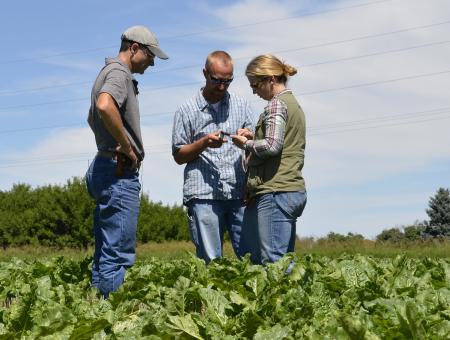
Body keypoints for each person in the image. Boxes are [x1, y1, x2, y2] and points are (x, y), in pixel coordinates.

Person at [85, 25, 169, 296]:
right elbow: (104, 105)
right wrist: (124, 144)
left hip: (104, 164)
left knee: (105, 251)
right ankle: (111, 322)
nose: (153, 62)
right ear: (134, 48)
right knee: (117, 254)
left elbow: (93, 117)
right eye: (150, 55)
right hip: (117, 170)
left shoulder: (106, 73)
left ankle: (98, 314)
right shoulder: (119, 74)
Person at [171, 51, 254, 263]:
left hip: (238, 191)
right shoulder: (186, 110)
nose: (221, 86)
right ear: (205, 73)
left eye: (228, 81)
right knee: (211, 261)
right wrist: (204, 143)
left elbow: (255, 147)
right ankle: (213, 297)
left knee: (251, 257)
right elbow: (179, 155)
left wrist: (249, 138)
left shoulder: (242, 106)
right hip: (203, 194)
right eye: (216, 80)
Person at [232, 54, 307, 265]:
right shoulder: (293, 105)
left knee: (274, 262)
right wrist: (254, 137)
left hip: (276, 191)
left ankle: (282, 299)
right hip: (290, 189)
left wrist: (245, 144)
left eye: (255, 85)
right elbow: (281, 142)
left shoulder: (276, 105)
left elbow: (273, 146)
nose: (254, 91)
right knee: (283, 259)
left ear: (270, 80)